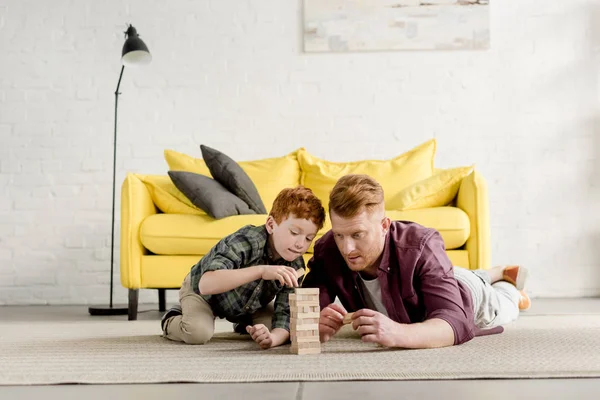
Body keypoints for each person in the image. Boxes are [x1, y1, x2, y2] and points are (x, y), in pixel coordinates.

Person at [302, 174, 530, 349]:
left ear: (384, 226)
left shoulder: (422, 245)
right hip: (441, 275)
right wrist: (315, 326)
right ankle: (494, 271)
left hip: (469, 294)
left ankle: (508, 286)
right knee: (456, 274)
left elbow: (455, 323)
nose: (346, 248)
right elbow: (305, 309)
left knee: (505, 306)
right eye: (339, 235)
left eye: (357, 235)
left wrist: (397, 333)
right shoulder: (329, 249)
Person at [161, 186, 326, 349]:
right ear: (271, 225)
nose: (300, 244)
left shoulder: (295, 265)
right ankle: (172, 319)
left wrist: (272, 340)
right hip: (204, 293)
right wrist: (262, 271)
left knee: (274, 329)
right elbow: (206, 284)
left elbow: (285, 314)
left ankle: (243, 323)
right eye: (294, 233)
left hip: (248, 303)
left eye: (308, 238)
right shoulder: (246, 241)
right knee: (198, 333)